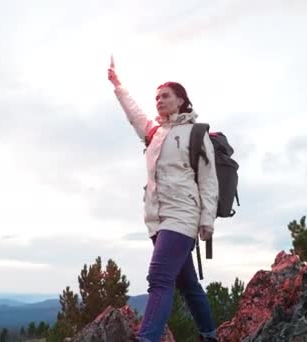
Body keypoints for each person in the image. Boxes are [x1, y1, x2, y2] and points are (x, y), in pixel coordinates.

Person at [107, 59, 219, 342]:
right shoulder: (154, 134)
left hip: (183, 214)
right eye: (156, 97)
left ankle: (147, 338)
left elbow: (208, 179)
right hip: (157, 219)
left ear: (181, 100)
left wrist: (207, 220)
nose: (159, 100)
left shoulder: (196, 133)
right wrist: (118, 86)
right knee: (187, 283)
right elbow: (133, 114)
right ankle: (210, 335)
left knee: (159, 277)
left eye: (165, 96)